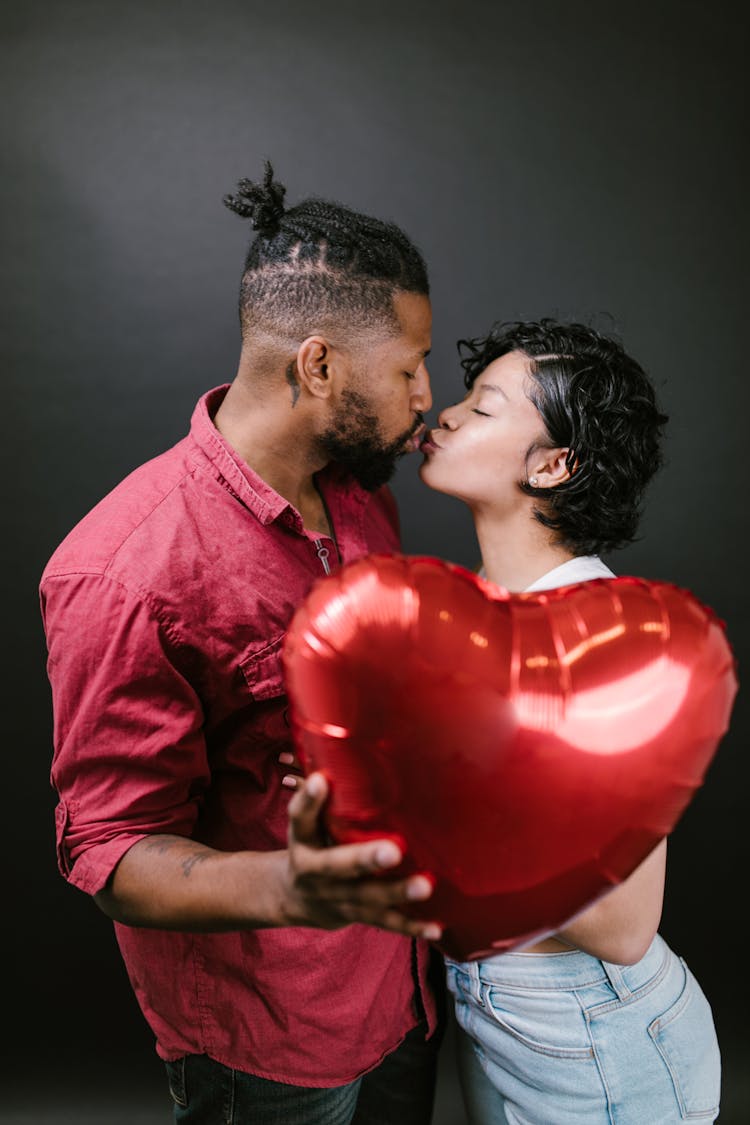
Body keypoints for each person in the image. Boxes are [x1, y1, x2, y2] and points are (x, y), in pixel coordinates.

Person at [39, 161, 447, 1125]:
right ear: (319, 366)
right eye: (407, 367)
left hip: (407, 992)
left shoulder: (364, 496)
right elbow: (111, 847)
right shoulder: (124, 571)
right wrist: (291, 886)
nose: (428, 393)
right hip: (273, 1042)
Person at [418, 318, 722, 1124]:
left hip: (599, 1035)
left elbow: (623, 922)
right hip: (500, 1019)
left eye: (482, 410)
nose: (444, 416)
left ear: (555, 464)